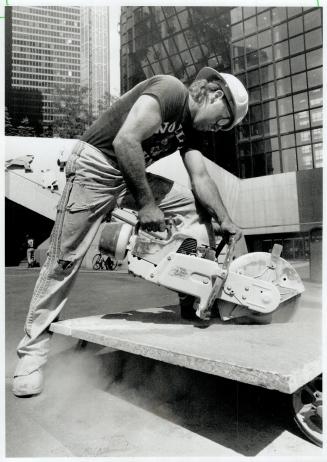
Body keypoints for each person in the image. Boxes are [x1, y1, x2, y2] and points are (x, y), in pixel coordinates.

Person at [12, 66, 248, 397]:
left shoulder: (190, 130)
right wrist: (147, 205)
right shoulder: (170, 90)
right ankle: (31, 356)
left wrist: (225, 218)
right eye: (222, 120)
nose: (217, 128)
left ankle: (192, 296)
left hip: (126, 175)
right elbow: (125, 141)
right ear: (213, 94)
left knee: (192, 208)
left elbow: (201, 178)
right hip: (95, 168)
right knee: (63, 259)